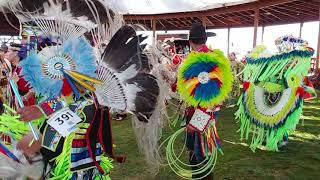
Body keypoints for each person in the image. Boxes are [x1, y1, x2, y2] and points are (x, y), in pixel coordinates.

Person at [186, 22, 217, 180]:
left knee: (201, 151)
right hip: (193, 109)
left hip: (204, 111)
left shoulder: (208, 59)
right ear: (204, 39)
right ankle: (195, 177)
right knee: (192, 147)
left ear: (190, 42)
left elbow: (213, 96)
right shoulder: (195, 59)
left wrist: (198, 120)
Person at [5, 43, 35, 107]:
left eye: (8, 51)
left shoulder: (24, 68)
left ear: (16, 53)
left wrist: (24, 98)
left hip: (26, 105)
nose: (6, 54)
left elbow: (35, 87)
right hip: (17, 104)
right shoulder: (15, 68)